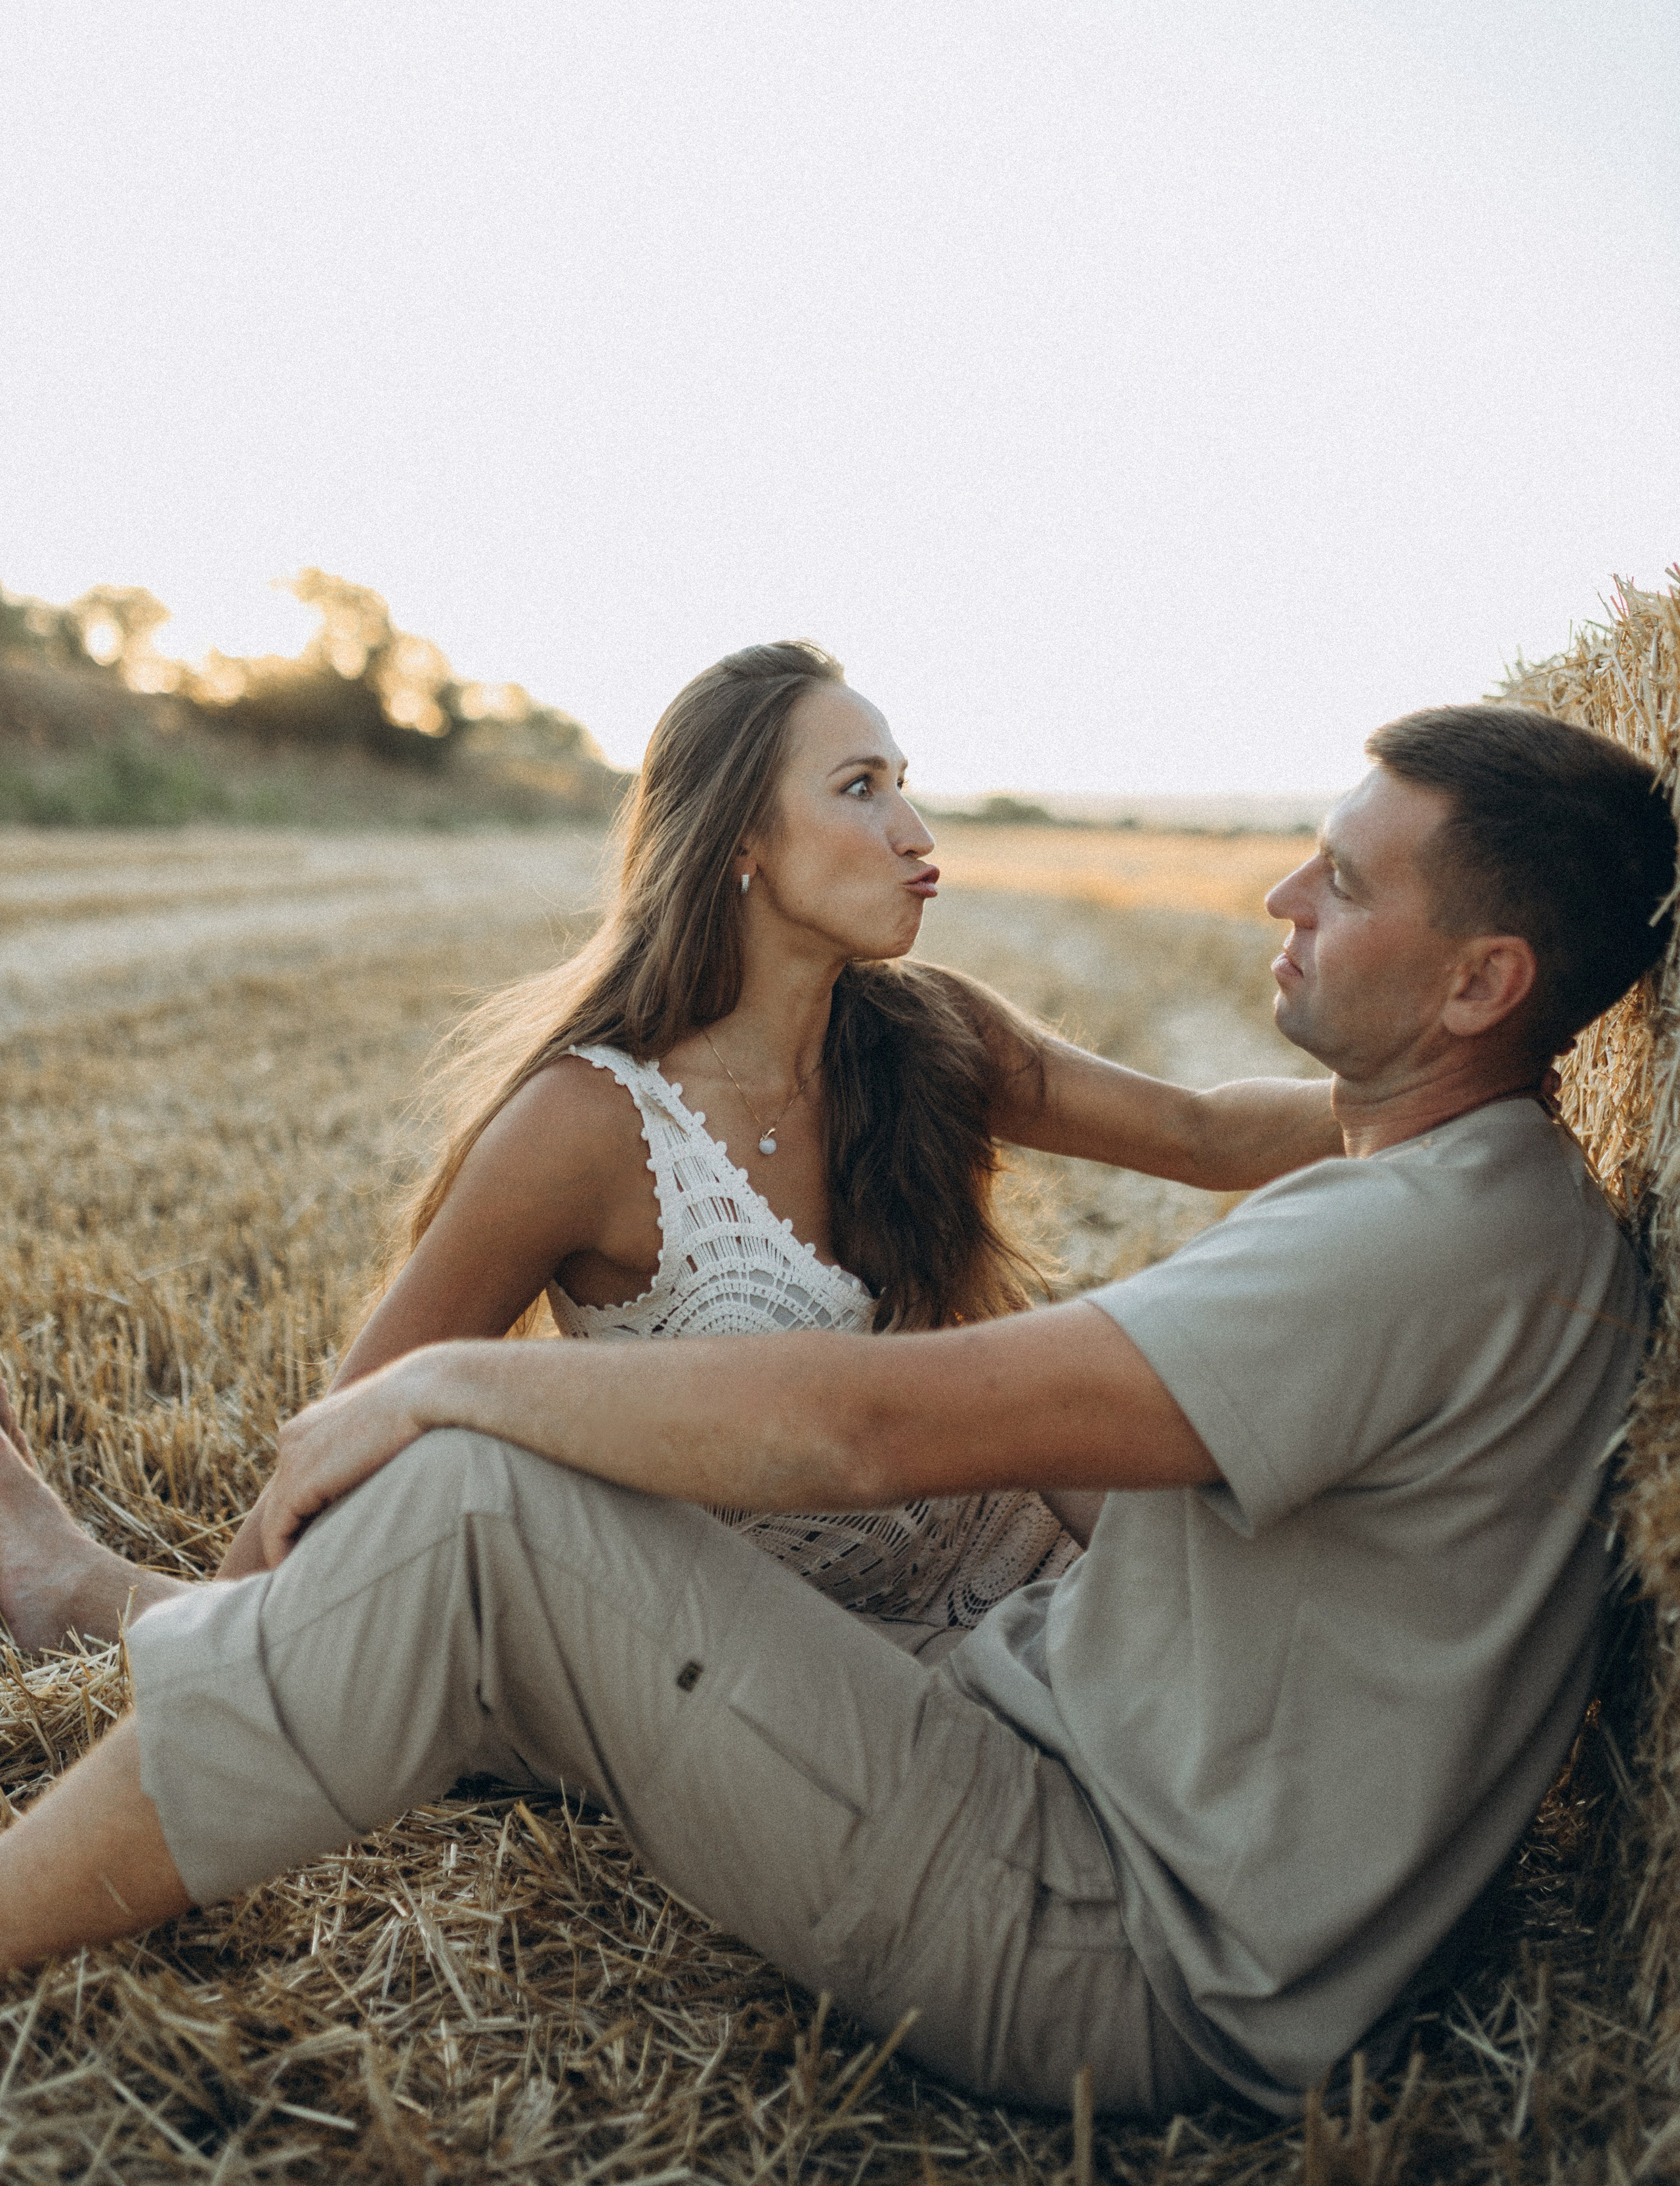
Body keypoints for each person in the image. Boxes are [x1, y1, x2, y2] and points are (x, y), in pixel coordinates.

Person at [0, 700, 1669, 2124]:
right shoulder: (1493, 1203)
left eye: (1347, 879)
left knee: (477, 1511)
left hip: (1117, 1939)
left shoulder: (1415, 1237)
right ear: (735, 837)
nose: (1275, 890)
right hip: (1119, 1815)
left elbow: (875, 1431)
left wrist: (459, 1388)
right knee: (483, 1603)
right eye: (856, 784)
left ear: (1476, 988)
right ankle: (105, 1605)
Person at [0, 639, 1336, 1654]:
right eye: (860, 790)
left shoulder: (926, 1035)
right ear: (745, 841)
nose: (917, 839)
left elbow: (1202, 1132)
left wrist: (1501, 1104)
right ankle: (61, 1578)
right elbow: (355, 1429)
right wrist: (233, 1641)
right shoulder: (583, 1127)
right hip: (762, 1665)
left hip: (1034, 1579)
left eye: (905, 788)